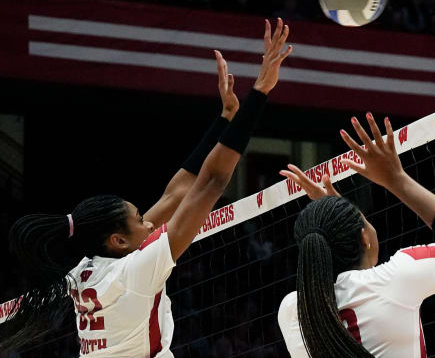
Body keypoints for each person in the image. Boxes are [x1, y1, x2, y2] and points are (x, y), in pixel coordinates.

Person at [1, 19, 293, 356]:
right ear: (118, 240)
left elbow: (175, 194)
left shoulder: (89, 268)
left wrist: (226, 117)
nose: (150, 222)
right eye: (140, 219)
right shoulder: (134, 269)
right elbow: (211, 182)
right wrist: (260, 92)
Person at [277, 114, 435, 357]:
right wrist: (395, 179)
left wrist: (335, 216)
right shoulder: (398, 278)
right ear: (364, 238)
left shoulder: (292, 310)